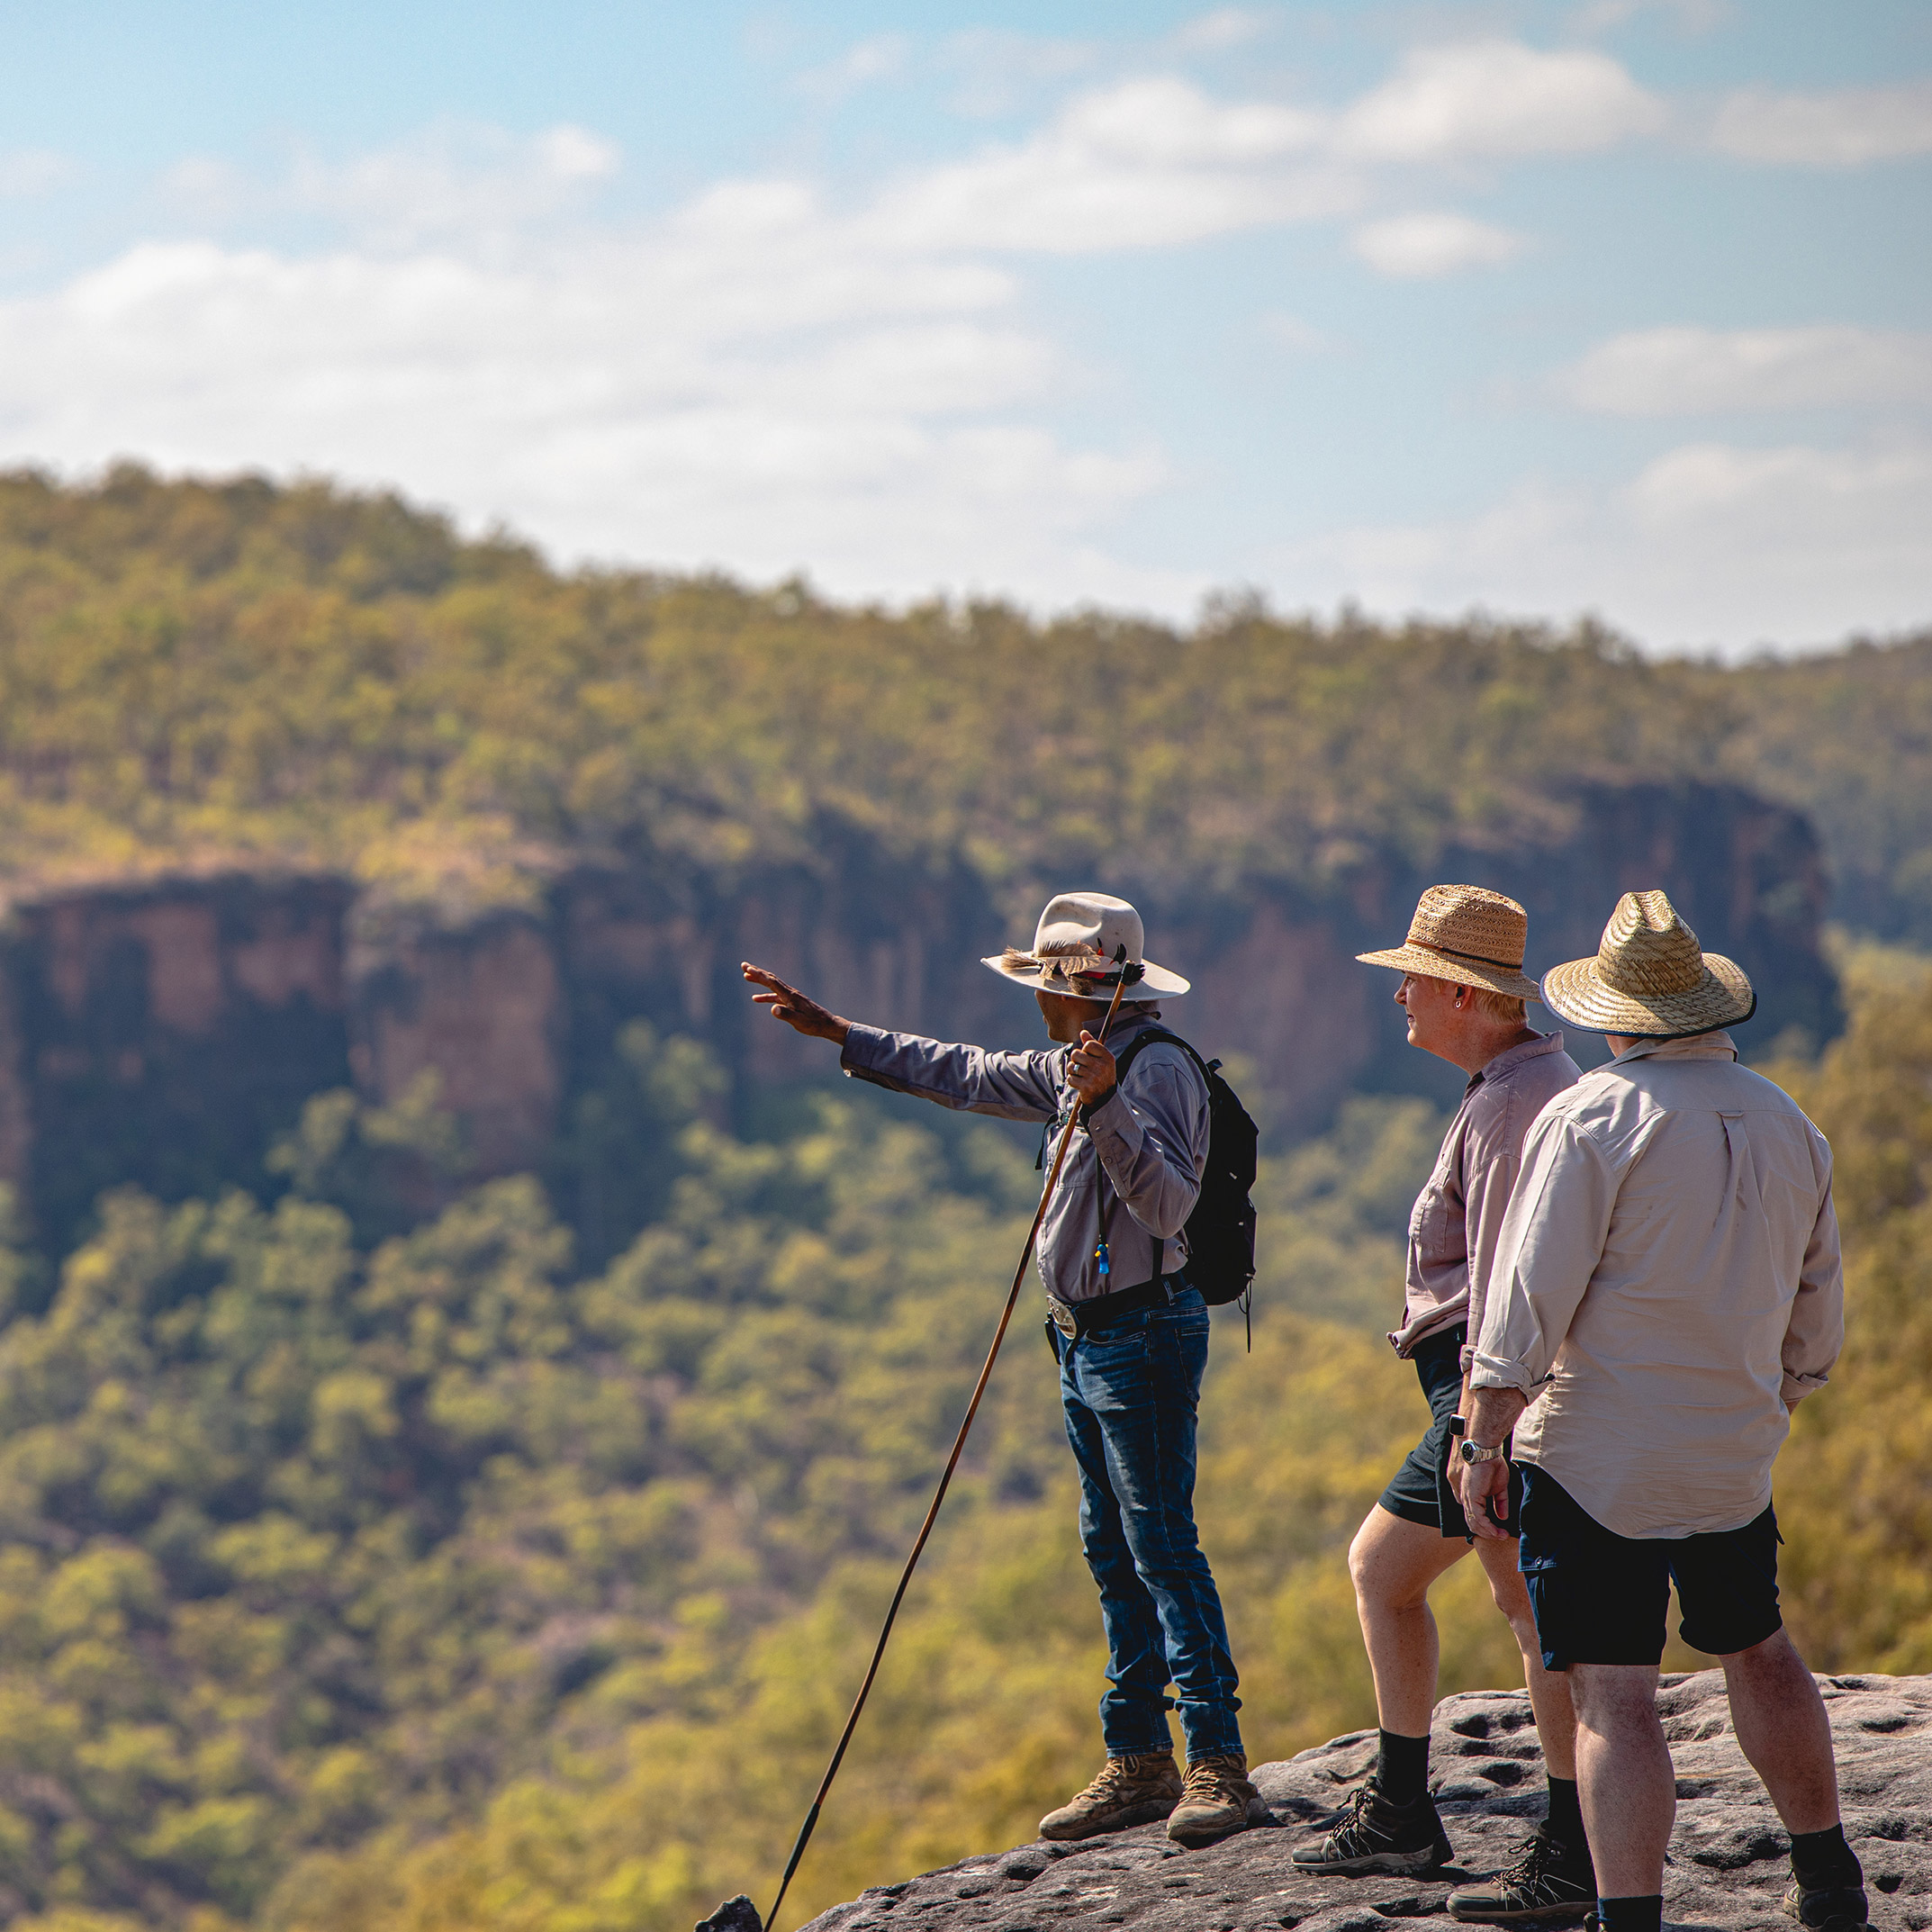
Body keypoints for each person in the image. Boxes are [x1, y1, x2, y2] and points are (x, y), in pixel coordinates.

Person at [740, 892, 1268, 1849]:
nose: (1033, 1001)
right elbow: (966, 1073)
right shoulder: (1075, 1066)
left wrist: (1103, 1104)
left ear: (1066, 992)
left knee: (1159, 1546)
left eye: (1040, 984)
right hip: (1085, 1336)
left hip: (1142, 1332)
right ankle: (1139, 1755)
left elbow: (1165, 1208)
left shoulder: (1151, 1074)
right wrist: (840, 1034)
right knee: (1111, 1548)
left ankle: (1216, 1764)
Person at [1461, 890, 1865, 1932]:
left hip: (1597, 1454)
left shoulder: (1588, 1114)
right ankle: (1827, 1881)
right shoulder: (1790, 1121)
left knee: (1615, 1693)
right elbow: (1817, 1309)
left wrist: (1483, 1433)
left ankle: (1628, 1917)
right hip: (1732, 1449)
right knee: (1760, 1646)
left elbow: (1528, 1295)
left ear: (1616, 1015)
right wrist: (1776, 1394)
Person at [1292, 884, 1591, 1921]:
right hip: (1476, 1391)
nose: (1400, 996)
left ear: (1468, 993)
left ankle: (1565, 1846)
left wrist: (1481, 1432)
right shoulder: (1513, 1080)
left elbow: (1513, 1279)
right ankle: (1405, 1806)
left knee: (1527, 1607)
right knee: (1390, 1569)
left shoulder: (1515, 1101)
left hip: (1491, 1395)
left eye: (1413, 979)